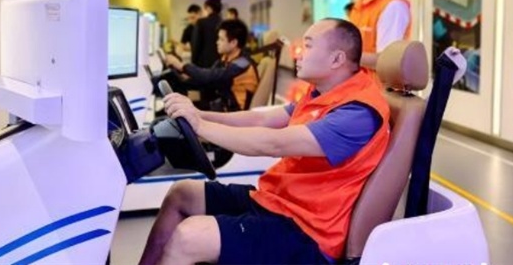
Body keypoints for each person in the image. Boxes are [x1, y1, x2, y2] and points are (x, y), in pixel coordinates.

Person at [139, 18, 390, 265]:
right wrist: (200, 115)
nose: (298, 52)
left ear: (336, 59)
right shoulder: (323, 92)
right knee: (181, 193)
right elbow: (261, 119)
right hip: (279, 202)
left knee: (189, 237)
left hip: (309, 232)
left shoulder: (358, 112)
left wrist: (201, 127)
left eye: (308, 45)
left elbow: (274, 143)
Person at [165, 19, 259, 112]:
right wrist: (182, 77)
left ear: (233, 43)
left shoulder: (242, 64)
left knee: (185, 111)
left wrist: (180, 65)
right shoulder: (225, 59)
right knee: (181, 107)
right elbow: (205, 80)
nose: (217, 42)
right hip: (222, 105)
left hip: (235, 112)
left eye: (221, 39)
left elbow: (209, 76)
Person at [192, 0, 223, 68]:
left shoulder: (201, 22)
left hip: (204, 62)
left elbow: (196, 44)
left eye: (205, 8)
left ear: (209, 8)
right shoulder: (224, 23)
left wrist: (193, 61)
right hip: (220, 62)